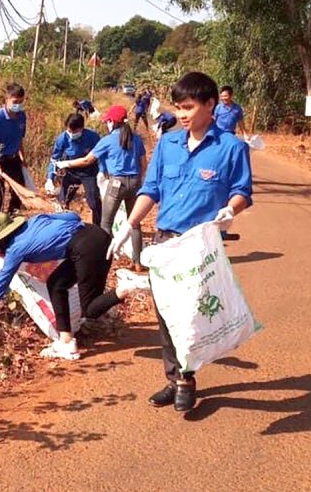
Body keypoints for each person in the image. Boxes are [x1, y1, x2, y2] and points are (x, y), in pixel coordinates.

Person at [108, 72, 253, 411]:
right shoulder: (168, 145)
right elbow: (151, 189)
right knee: (166, 314)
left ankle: (186, 378)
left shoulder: (231, 148)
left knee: (191, 315)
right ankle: (175, 378)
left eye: (188, 107)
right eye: (178, 107)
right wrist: (129, 225)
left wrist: (230, 210)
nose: (182, 114)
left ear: (210, 105)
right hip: (165, 243)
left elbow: (242, 191)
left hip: (200, 245)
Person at [0, 212, 147, 360]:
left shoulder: (15, 249)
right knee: (56, 283)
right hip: (96, 235)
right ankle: (66, 341)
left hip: (85, 250)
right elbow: (73, 216)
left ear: (1, 239)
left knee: (90, 310)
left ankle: (126, 287)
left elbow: (1, 283)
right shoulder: (35, 220)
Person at [58, 105, 146, 271]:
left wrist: (66, 163)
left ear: (113, 122)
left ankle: (104, 262)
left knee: (106, 224)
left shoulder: (107, 140)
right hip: (135, 183)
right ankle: (138, 262)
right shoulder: (137, 139)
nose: (107, 124)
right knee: (134, 223)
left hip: (116, 184)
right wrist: (137, 181)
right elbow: (143, 164)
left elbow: (87, 160)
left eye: (108, 121)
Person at [45, 113, 103, 225]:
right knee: (63, 200)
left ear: (81, 128)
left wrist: (102, 172)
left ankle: (98, 226)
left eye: (74, 131)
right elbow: (54, 159)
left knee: (94, 202)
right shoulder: (62, 138)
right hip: (71, 172)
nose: (71, 134)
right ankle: (62, 224)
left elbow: (101, 156)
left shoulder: (93, 137)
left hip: (89, 172)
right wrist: (50, 178)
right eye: (69, 131)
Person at [0, 83, 28, 214]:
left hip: (14, 159)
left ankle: (13, 215)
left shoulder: (21, 116)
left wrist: (23, 158)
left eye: (21, 102)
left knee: (18, 190)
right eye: (15, 102)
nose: (18, 105)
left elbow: (19, 139)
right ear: (7, 99)